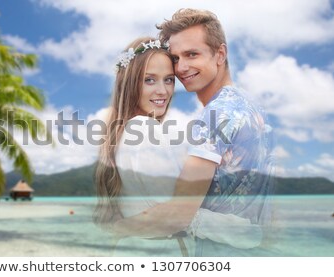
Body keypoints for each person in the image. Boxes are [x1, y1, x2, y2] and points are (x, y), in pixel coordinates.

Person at [111, 9, 275, 257]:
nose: (182, 68)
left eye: (192, 54)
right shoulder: (253, 109)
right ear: (131, 82)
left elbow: (179, 213)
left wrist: (121, 227)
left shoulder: (215, 115)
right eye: (176, 58)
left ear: (220, 54)